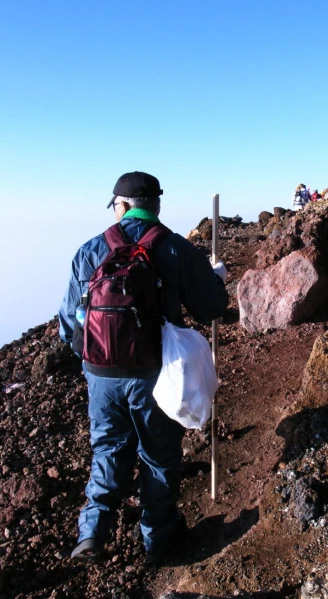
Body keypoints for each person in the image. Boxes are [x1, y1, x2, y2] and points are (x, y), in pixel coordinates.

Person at [59, 171, 228, 563]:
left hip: (100, 373)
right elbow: (211, 309)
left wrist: (94, 362)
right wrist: (214, 279)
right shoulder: (175, 249)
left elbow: (69, 323)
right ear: (156, 206)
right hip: (154, 373)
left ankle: (92, 533)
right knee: (158, 455)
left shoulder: (89, 251)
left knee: (107, 450)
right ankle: (158, 542)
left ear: (120, 206)